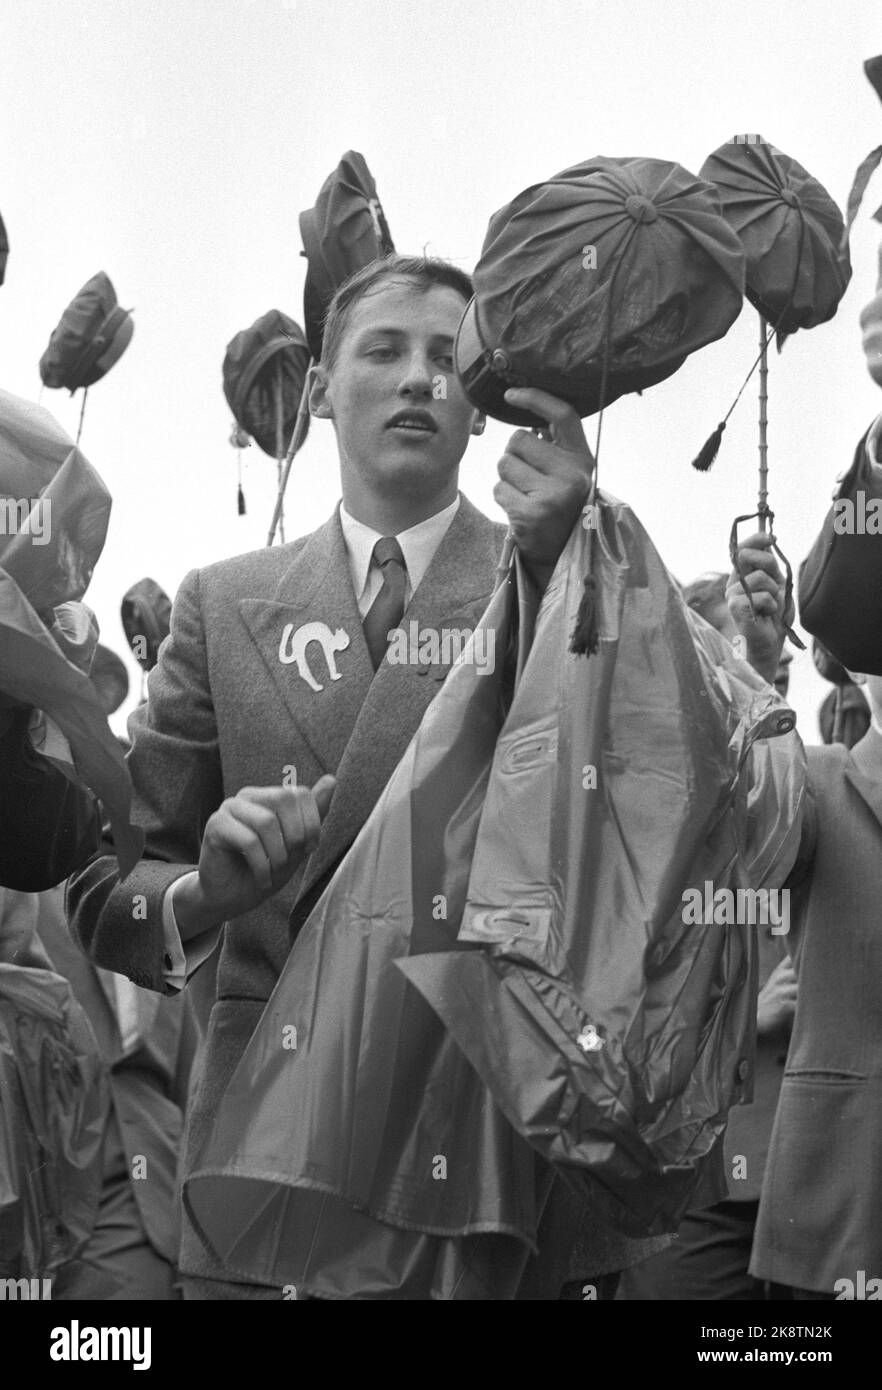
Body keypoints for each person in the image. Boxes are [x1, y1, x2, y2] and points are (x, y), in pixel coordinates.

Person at [619, 555, 798, 1301]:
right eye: (719, 665)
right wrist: (738, 1020)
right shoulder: (636, 811)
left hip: (799, 1180)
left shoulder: (799, 795)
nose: (753, 686)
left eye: (769, 669)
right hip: (694, 1187)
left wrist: (761, 660)